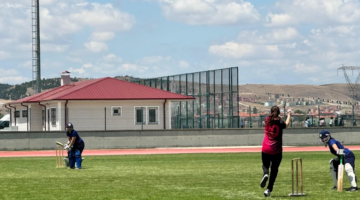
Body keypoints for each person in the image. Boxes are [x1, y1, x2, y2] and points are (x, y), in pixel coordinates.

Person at [260, 106, 291, 197]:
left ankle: (265, 174)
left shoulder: (267, 120)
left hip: (266, 148)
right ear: (278, 113)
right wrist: (288, 115)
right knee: (274, 170)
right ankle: (268, 190)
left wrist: (277, 117)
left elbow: (272, 118)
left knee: (265, 165)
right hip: (276, 151)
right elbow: (287, 124)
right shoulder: (280, 123)